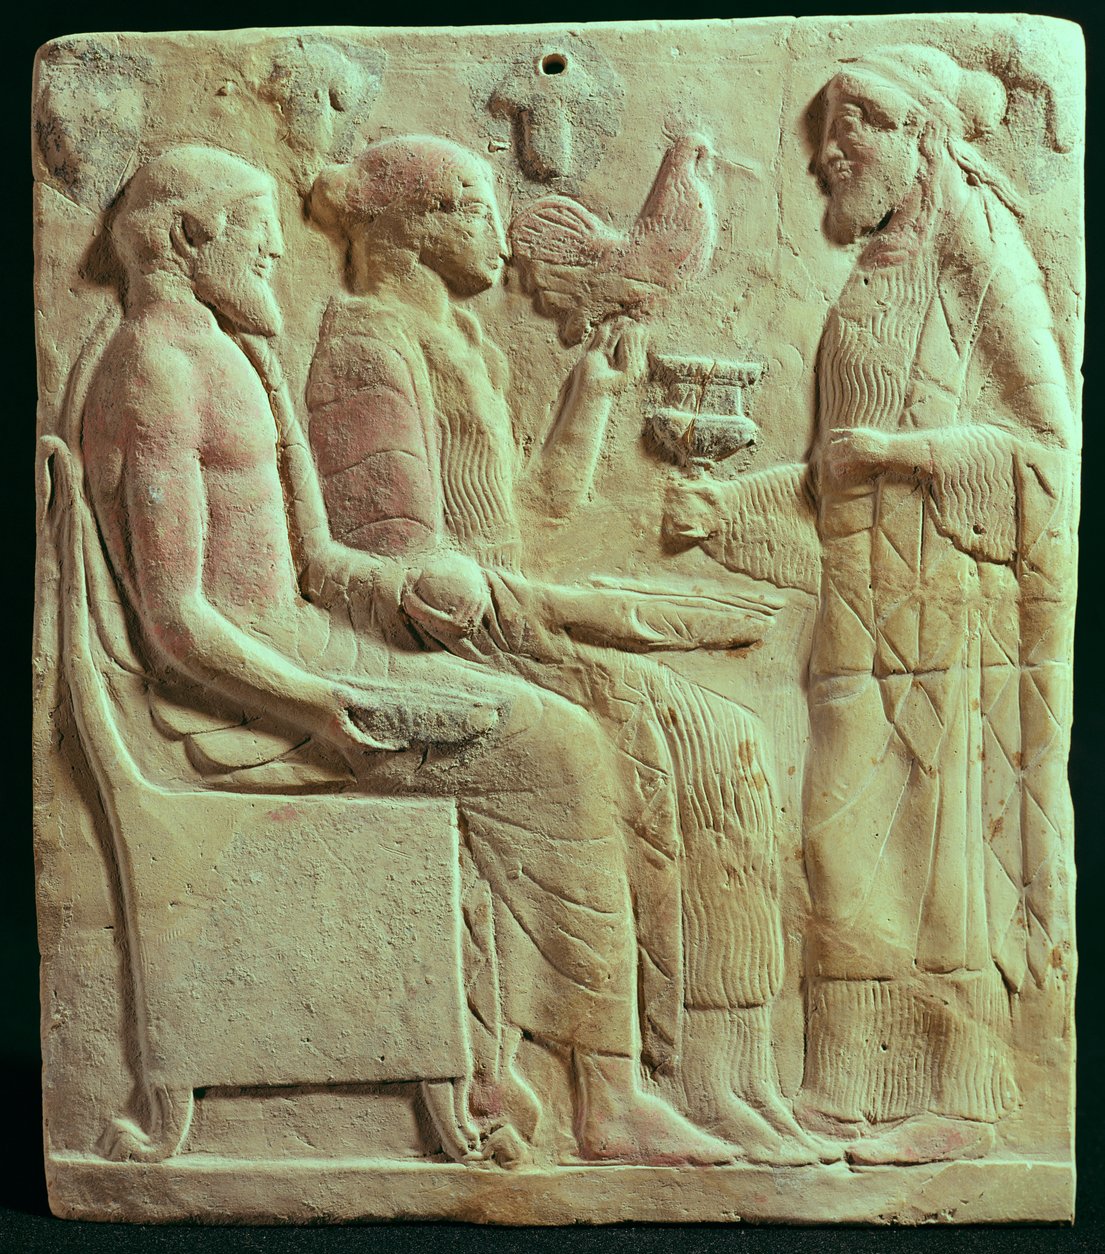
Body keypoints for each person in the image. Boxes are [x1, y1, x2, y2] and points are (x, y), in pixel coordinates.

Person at [79, 144, 734, 1168]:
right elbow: (175, 622)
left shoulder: (237, 354)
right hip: (246, 689)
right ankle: (604, 1099)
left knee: (554, 721)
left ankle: (515, 1069)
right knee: (559, 748)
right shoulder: (153, 372)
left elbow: (317, 563)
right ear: (193, 235)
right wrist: (314, 704)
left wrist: (408, 590)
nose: (276, 253)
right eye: (259, 234)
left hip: (312, 646)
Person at [305, 136, 823, 1164]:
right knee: (674, 731)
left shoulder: (464, 342)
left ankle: (728, 1078)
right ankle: (616, 1088)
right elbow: (413, 583)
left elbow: (528, 514)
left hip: (504, 622)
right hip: (444, 646)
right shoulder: (367, 348)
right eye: (472, 207)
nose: (500, 233)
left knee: (729, 741)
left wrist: (592, 396)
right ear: (411, 228)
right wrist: (625, 615)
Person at [667, 45, 1077, 1165]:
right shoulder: (871, 277)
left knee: (941, 857)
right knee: (841, 848)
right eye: (823, 137)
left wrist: (909, 453)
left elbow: (1049, 454)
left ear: (920, 139)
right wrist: (726, 506)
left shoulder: (983, 263)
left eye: (854, 131)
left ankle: (963, 1100)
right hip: (859, 606)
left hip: (950, 610)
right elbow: (830, 472)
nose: (826, 157)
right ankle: (849, 1090)